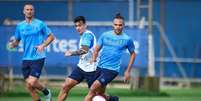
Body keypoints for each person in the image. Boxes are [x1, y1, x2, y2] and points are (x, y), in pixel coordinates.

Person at [84, 13, 136, 101]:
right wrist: (93, 59)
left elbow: (133, 54)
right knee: (99, 93)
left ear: (123, 25)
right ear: (113, 25)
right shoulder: (105, 35)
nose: (118, 27)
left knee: (92, 89)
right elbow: (96, 49)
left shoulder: (127, 39)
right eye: (116, 25)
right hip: (100, 67)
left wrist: (128, 71)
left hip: (112, 70)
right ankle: (112, 99)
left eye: (120, 25)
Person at [8, 4, 55, 101]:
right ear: (23, 11)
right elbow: (17, 41)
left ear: (33, 12)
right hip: (25, 58)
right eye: (27, 9)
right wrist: (13, 44)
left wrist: (43, 45)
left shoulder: (40, 24)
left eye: (31, 10)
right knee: (29, 86)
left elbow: (51, 37)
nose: (29, 11)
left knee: (33, 82)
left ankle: (46, 92)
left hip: (38, 57)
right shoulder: (20, 26)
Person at [57, 16, 97, 101]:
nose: (78, 28)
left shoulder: (87, 35)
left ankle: (111, 99)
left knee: (96, 95)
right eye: (76, 26)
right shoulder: (83, 36)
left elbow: (84, 50)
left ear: (85, 25)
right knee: (65, 86)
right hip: (82, 67)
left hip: (92, 69)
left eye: (80, 25)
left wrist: (71, 53)